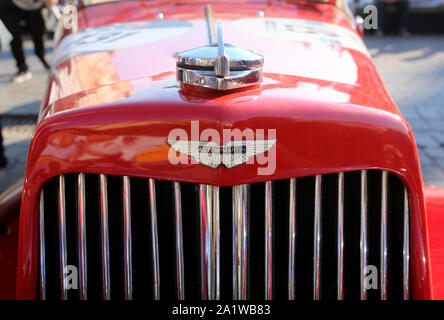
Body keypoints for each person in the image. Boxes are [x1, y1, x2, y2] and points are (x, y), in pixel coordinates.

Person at [0, 0, 57, 83]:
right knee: (13, 34)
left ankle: (43, 58)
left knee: (37, 31)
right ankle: (22, 68)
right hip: (7, 4)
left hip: (33, 3)